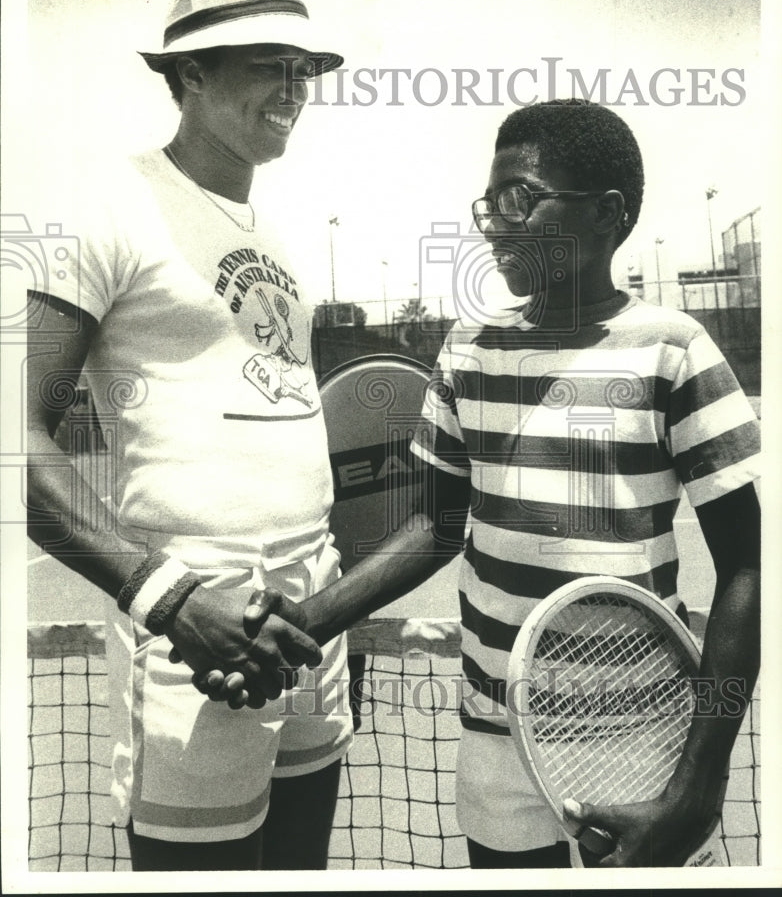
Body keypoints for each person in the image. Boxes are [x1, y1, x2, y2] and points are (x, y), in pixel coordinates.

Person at [229, 98, 761, 868]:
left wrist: (698, 786)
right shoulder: (470, 346)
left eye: (521, 198)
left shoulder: (675, 349)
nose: (494, 223)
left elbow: (748, 564)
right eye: (489, 203)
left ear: (608, 213)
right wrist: (308, 621)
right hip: (494, 732)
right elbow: (439, 526)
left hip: (643, 736)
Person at [26, 0, 354, 871]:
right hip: (190, 617)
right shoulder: (106, 204)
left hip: (307, 614)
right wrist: (168, 599)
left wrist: (328, 603)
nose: (293, 87)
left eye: (303, 69)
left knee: (300, 874)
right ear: (189, 75)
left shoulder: (276, 237)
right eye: (266, 64)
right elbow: (13, 436)